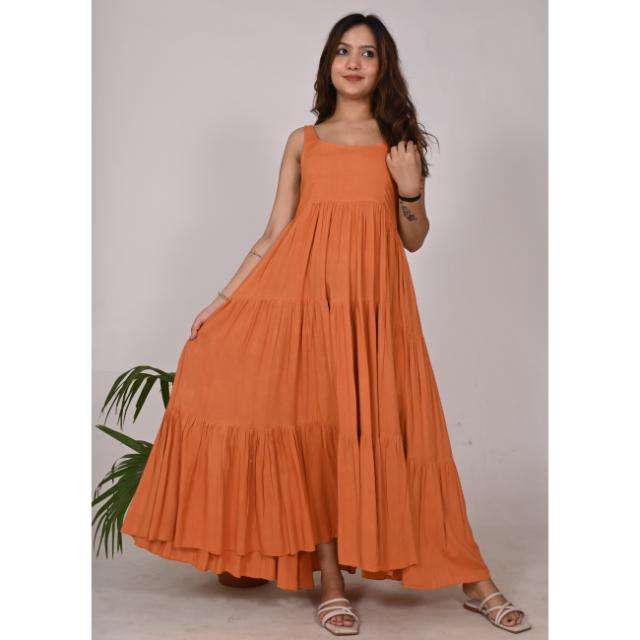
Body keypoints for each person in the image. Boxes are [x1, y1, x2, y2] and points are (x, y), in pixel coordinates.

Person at [121, 12, 531, 636]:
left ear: (383, 67)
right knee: (320, 437)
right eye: (343, 50)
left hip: (376, 312)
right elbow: (273, 234)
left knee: (409, 434)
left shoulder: (399, 144)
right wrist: (222, 302)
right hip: (308, 308)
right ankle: (331, 583)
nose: (354, 62)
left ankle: (474, 579)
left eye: (367, 53)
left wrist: (410, 189)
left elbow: (413, 239)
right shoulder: (302, 141)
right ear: (328, 63)